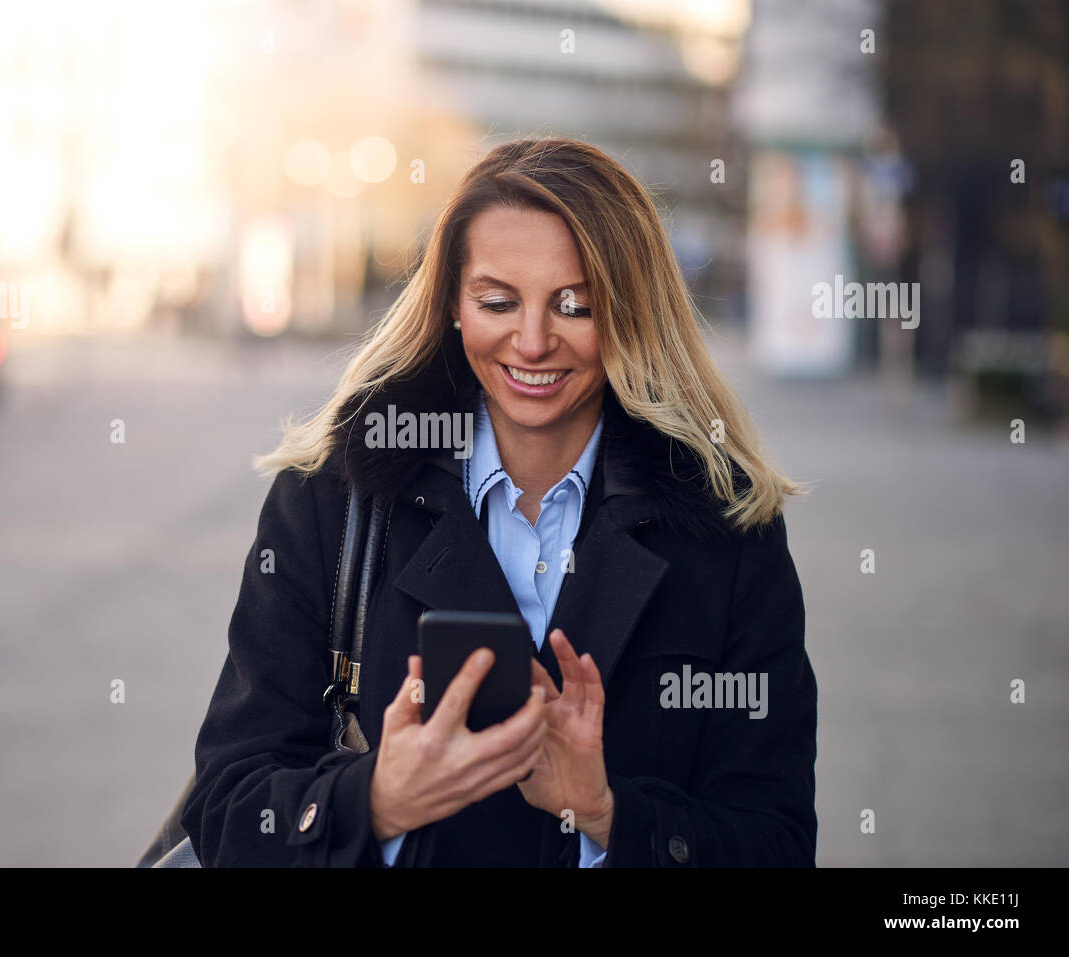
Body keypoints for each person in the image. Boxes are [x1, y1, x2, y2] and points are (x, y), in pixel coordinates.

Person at [179, 137, 817, 867]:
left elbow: (779, 843)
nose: (534, 340)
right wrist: (378, 799)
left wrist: (611, 813)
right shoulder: (334, 498)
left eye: (574, 305)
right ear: (453, 301)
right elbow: (228, 805)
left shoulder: (726, 528)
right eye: (498, 301)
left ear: (631, 312)